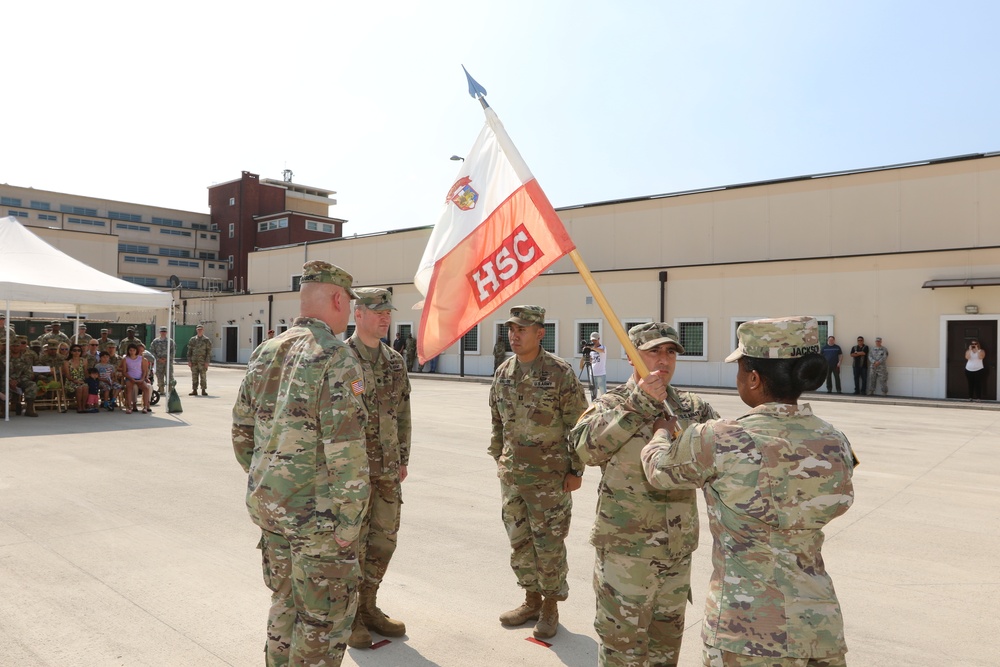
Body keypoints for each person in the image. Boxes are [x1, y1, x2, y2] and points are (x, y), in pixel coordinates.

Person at [641, 316, 857, 667]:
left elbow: (658, 470)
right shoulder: (835, 439)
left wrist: (662, 434)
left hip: (745, 630)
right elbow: (840, 500)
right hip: (818, 626)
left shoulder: (719, 437)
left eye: (741, 369)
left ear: (754, 379)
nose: (739, 377)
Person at [232, 260, 369, 667]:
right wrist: (350, 521)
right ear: (337, 298)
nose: (348, 314)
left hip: (272, 509)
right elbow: (346, 449)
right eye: (348, 304)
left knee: (284, 603)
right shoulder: (335, 356)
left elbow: (241, 431)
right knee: (323, 621)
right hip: (319, 518)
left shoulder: (266, 350)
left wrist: (269, 480)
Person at [572, 323, 718, 666]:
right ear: (630, 354)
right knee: (622, 649)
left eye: (670, 352)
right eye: (654, 351)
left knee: (666, 649)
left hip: (676, 552)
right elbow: (584, 450)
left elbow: (727, 454)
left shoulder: (691, 407)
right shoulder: (612, 402)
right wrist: (638, 404)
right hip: (626, 553)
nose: (663, 359)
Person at [489, 305, 589, 640]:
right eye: (511, 330)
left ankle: (550, 606)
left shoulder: (559, 372)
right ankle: (530, 599)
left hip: (550, 478)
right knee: (520, 542)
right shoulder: (504, 371)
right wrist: (498, 458)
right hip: (513, 476)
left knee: (548, 543)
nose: (515, 336)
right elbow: (497, 421)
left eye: (522, 330)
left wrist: (577, 469)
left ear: (540, 333)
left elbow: (579, 424)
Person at [345, 287, 412, 648]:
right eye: (378, 312)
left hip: (387, 470)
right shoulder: (340, 359)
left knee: (383, 542)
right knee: (350, 545)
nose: (385, 318)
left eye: (388, 312)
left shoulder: (394, 360)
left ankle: (369, 606)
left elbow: (402, 413)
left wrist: (402, 457)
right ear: (358, 314)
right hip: (351, 474)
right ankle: (351, 614)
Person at [7, 336, 39, 417]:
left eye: (17, 346)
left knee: (32, 385)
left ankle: (29, 409)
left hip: (20, 380)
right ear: (10, 346)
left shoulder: (25, 359)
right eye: (13, 346)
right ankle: (3, 409)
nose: (15, 348)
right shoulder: (4, 358)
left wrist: (17, 381)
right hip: (6, 380)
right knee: (3, 384)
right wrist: (9, 380)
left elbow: (28, 373)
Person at [121, 343, 152, 414]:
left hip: (139, 378)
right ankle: (129, 407)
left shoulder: (142, 359)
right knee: (129, 389)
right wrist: (130, 378)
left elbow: (144, 370)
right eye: (130, 350)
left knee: (146, 388)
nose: (132, 352)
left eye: (133, 350)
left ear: (136, 351)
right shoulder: (125, 359)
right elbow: (124, 372)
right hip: (130, 378)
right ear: (128, 351)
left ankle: (145, 407)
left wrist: (142, 379)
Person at [63, 344, 91, 413]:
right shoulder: (67, 362)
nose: (77, 352)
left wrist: (88, 380)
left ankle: (83, 406)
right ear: (71, 352)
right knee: (79, 388)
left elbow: (86, 373)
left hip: (82, 381)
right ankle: (79, 407)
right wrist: (75, 381)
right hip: (71, 382)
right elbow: (67, 375)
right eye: (74, 350)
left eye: (79, 350)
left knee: (85, 386)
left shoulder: (84, 361)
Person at [187, 324, 212, 396]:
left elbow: (208, 352)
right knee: (194, 376)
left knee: (203, 376)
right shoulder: (192, 340)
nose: (199, 331)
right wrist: (189, 360)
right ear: (196, 330)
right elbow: (189, 351)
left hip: (202, 361)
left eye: (201, 329)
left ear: (203, 330)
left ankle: (203, 390)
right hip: (194, 361)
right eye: (198, 330)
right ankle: (194, 390)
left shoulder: (206, 340)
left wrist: (207, 362)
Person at [149, 326, 176, 394]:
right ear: (160, 332)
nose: (163, 333)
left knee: (169, 375)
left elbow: (173, 351)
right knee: (159, 375)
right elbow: (152, 351)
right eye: (162, 331)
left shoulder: (170, 341)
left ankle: (170, 389)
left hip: (168, 362)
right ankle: (161, 388)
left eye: (164, 331)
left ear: (166, 332)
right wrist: (158, 359)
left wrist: (167, 358)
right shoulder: (155, 341)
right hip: (159, 362)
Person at [585, 331, 608, 397]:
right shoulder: (591, 350)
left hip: (601, 374)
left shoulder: (603, 347)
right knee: (593, 394)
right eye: (592, 340)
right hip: (592, 374)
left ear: (598, 339)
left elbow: (602, 351)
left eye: (595, 340)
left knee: (603, 394)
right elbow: (590, 360)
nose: (593, 341)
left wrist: (592, 348)